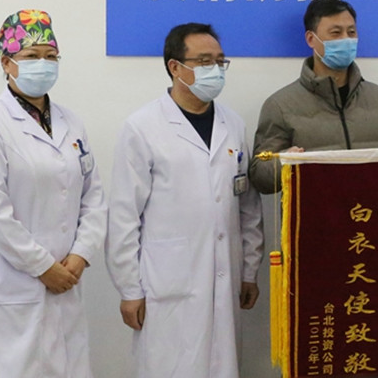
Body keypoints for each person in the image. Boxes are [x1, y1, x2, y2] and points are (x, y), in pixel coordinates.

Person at [106, 23, 264, 378]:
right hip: (166, 283)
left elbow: (248, 206)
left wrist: (249, 270)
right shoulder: (142, 127)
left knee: (224, 365)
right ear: (175, 67)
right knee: (170, 366)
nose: (215, 70)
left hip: (226, 274)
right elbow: (124, 217)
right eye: (204, 61)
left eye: (220, 62)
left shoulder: (233, 125)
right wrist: (129, 289)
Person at [0, 10, 106, 378]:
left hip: (67, 277)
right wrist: (42, 266)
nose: (43, 64)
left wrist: (81, 254)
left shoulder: (72, 123)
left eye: (50, 56)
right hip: (13, 282)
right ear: (6, 62)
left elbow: (93, 197)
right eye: (31, 55)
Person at [249, 0, 378, 193]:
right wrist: (284, 163)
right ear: (311, 39)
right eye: (336, 33)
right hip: (316, 212)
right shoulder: (281, 105)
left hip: (374, 210)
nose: (346, 40)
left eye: (351, 32)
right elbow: (259, 176)